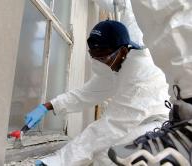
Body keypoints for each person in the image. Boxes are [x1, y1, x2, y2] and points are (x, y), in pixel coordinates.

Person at [25, 20, 170, 166]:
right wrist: (48, 106)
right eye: (93, 56)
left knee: (108, 155)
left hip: (158, 126)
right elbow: (87, 93)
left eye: (102, 58)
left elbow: (110, 128)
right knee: (103, 153)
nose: (99, 63)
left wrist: (57, 161)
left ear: (123, 51)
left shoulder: (139, 77)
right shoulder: (116, 63)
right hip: (137, 123)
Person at [100, 0, 192, 165]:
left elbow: (114, 122)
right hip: (168, 120)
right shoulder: (124, 65)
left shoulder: (137, 64)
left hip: (156, 120)